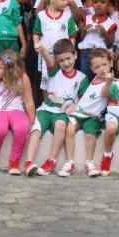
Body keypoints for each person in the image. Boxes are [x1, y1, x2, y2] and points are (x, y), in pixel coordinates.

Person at [25, 39, 85, 177]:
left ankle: (51, 160)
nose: (66, 63)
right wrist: (43, 50)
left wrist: (75, 105)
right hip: (46, 109)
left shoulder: (82, 78)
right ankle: (29, 162)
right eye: (61, 60)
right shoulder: (54, 71)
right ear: (57, 61)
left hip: (62, 112)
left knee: (60, 125)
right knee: (36, 129)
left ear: (75, 55)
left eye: (68, 58)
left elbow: (83, 98)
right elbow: (48, 60)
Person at [0, 49, 36, 175]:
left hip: (17, 110)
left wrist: (32, 120)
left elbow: (28, 101)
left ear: (11, 71)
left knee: (22, 127)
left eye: (0, 68)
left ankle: (14, 161)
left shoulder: (23, 77)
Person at [70, 48, 114, 177]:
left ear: (111, 63)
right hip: (79, 113)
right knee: (69, 129)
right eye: (97, 67)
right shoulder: (94, 79)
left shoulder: (112, 82)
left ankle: (89, 162)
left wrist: (109, 81)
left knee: (90, 134)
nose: (101, 69)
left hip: (93, 117)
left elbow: (105, 94)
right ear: (92, 69)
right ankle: (69, 161)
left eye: (104, 65)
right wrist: (75, 105)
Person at [32, 0, 78, 92]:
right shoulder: (41, 15)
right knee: (46, 82)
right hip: (45, 55)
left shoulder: (68, 16)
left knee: (63, 79)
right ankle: (47, 105)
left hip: (63, 57)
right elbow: (36, 33)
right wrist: (35, 44)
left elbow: (72, 36)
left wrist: (70, 52)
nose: (66, 2)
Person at [77, 0, 116, 79]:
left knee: (102, 78)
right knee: (85, 77)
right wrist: (84, 30)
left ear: (109, 5)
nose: (98, 5)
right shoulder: (87, 18)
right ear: (92, 4)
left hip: (102, 54)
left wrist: (104, 32)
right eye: (95, 2)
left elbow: (110, 44)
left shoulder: (111, 23)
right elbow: (82, 38)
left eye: (103, 2)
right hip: (86, 53)